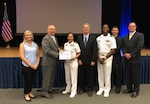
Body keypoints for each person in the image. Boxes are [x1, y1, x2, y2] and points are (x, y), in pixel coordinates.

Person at [122, 22, 144, 98]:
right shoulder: (125, 37)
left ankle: (136, 91)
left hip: (135, 59)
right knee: (128, 75)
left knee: (135, 76)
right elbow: (123, 47)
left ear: (135, 27)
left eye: (133, 26)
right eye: (130, 26)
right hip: (127, 59)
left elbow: (139, 46)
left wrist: (131, 54)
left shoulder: (140, 35)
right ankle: (129, 88)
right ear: (128, 27)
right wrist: (125, 53)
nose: (131, 27)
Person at [76, 23, 97, 97]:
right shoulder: (79, 37)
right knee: (81, 75)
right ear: (82, 29)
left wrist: (93, 60)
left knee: (90, 76)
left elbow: (95, 50)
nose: (85, 29)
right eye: (84, 28)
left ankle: (89, 89)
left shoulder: (93, 38)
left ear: (89, 29)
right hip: (81, 60)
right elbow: (77, 50)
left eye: (87, 28)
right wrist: (78, 59)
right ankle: (81, 88)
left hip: (90, 61)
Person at [96, 24, 117, 97]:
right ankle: (101, 88)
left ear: (108, 29)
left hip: (108, 57)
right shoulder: (98, 38)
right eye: (104, 28)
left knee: (107, 73)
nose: (105, 29)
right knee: (100, 74)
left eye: (106, 28)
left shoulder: (111, 38)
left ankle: (107, 89)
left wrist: (104, 58)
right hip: (99, 57)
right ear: (102, 29)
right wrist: (99, 57)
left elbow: (113, 50)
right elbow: (96, 49)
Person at [19, 30, 40, 101]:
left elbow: (38, 55)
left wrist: (37, 64)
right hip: (26, 66)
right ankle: (26, 94)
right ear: (24, 36)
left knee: (32, 80)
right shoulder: (22, 45)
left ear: (32, 36)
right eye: (27, 35)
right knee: (27, 81)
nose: (28, 36)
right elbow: (22, 57)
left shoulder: (35, 44)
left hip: (35, 66)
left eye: (30, 35)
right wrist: (31, 65)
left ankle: (30, 92)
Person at [41, 25, 60, 99]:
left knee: (51, 77)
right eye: (51, 29)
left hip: (53, 62)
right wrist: (58, 55)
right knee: (47, 78)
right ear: (48, 30)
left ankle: (49, 89)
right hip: (47, 63)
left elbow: (55, 47)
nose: (53, 30)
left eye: (54, 29)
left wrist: (60, 50)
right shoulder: (46, 39)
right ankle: (44, 92)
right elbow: (47, 51)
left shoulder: (54, 37)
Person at [62, 32, 81, 98]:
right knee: (67, 77)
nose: (70, 38)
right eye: (69, 36)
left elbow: (79, 53)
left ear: (73, 38)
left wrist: (74, 57)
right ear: (67, 37)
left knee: (73, 77)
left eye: (71, 37)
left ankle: (73, 91)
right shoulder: (65, 44)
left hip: (73, 62)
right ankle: (68, 89)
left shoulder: (75, 44)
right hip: (66, 62)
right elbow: (64, 53)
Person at [111, 26, 123, 93]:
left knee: (117, 73)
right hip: (109, 58)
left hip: (117, 58)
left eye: (116, 30)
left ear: (118, 31)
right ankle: (110, 86)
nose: (114, 31)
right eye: (113, 30)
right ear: (111, 31)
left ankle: (118, 87)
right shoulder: (109, 38)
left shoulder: (120, 39)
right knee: (110, 73)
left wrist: (110, 52)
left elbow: (118, 49)